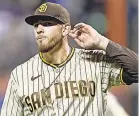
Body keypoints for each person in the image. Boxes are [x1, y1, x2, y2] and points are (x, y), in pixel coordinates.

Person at [0, 2, 138, 116]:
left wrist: (101, 42)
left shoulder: (94, 62)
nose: (39, 29)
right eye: (36, 25)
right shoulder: (20, 75)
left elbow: (136, 70)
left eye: (47, 24)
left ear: (65, 29)